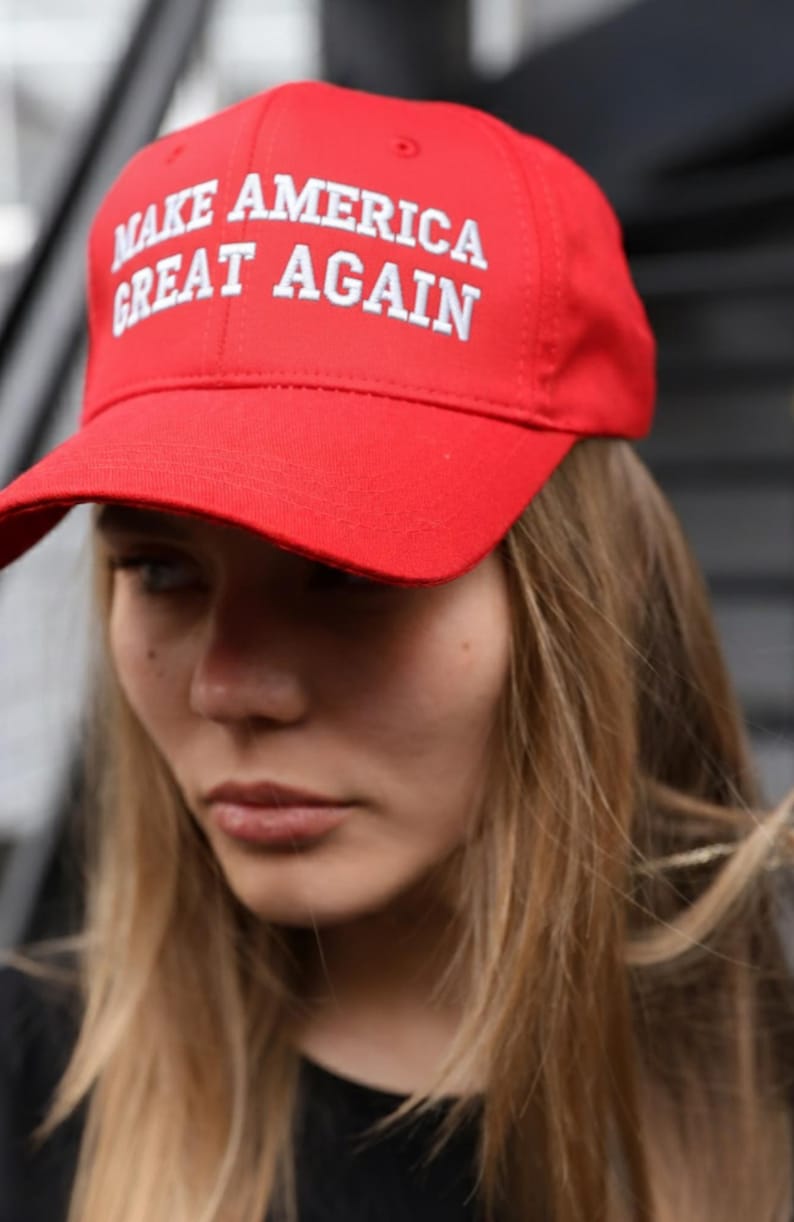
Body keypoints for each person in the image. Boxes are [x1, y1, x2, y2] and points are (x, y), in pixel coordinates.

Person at [0, 79, 792, 1222]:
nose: (228, 687)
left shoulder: (766, 1116)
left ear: (590, 591)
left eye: (349, 571)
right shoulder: (29, 1100)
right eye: (160, 571)